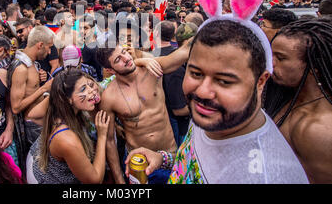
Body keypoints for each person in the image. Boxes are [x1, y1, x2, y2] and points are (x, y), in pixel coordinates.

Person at [125, 19, 308, 184]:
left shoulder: (266, 176)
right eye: (196, 74)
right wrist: (163, 159)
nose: (203, 92)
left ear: (260, 81)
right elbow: (193, 160)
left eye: (224, 81)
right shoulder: (212, 117)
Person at [96, 44, 177, 184]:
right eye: (118, 60)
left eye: (124, 52)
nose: (126, 59)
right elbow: (109, 141)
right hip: (138, 163)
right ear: (110, 70)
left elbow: (179, 57)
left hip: (170, 156)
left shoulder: (151, 70)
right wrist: (120, 180)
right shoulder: (109, 97)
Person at [266, 18, 332, 183]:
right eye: (271, 55)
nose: (271, 63)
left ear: (313, 66)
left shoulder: (319, 129)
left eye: (280, 58)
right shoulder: (289, 95)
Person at [27, 68, 110, 184]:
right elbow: (94, 180)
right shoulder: (66, 139)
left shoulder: (62, 109)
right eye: (83, 89)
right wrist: (102, 135)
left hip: (39, 157)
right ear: (68, 99)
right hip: (44, 177)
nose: (92, 91)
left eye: (90, 85)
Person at [9, 26, 54, 148]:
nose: (50, 52)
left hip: (39, 122)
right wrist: (43, 89)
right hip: (32, 126)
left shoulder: (32, 63)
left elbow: (30, 90)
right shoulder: (21, 69)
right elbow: (16, 107)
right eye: (49, 47)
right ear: (40, 45)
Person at [153, 21, 190, 146]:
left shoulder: (174, 63)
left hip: (174, 126)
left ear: (156, 33)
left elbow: (178, 109)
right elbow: (178, 109)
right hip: (168, 124)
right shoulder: (150, 59)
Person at [79, 15, 103, 81]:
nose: (81, 31)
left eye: (85, 28)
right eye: (80, 28)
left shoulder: (89, 48)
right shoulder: (94, 43)